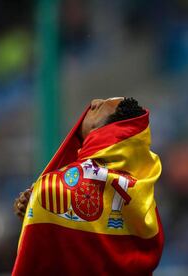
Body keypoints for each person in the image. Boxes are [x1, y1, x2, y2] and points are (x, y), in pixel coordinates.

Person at [12, 97, 163, 276]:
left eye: (99, 108)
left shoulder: (53, 188)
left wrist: (37, 212)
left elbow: (37, 261)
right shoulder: (142, 192)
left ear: (104, 130)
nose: (94, 102)